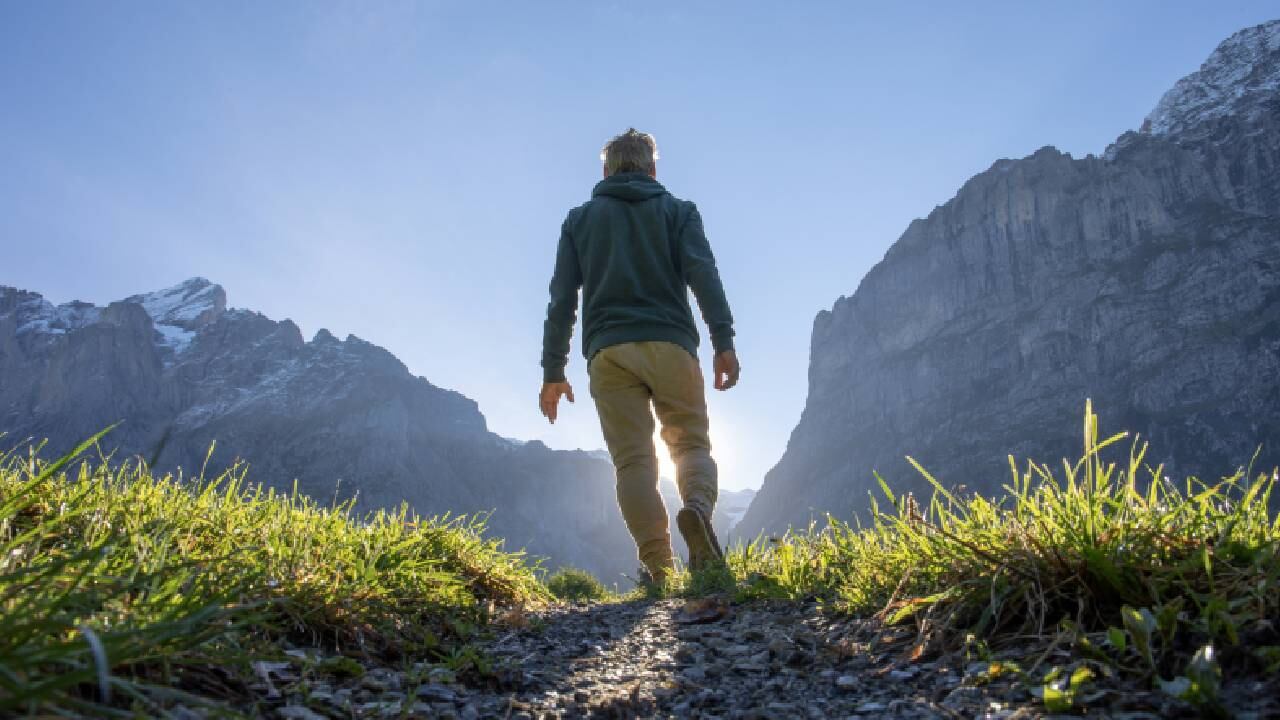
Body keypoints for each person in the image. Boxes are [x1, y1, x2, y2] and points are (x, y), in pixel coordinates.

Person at [539, 128, 740, 585]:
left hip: (608, 353)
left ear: (605, 172)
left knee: (633, 463)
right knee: (690, 445)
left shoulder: (579, 221)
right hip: (671, 344)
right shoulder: (679, 211)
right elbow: (704, 275)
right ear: (653, 169)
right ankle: (696, 510)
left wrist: (554, 371)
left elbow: (562, 300)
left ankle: (660, 570)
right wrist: (723, 342)